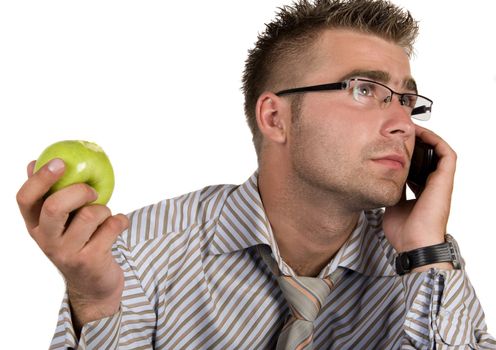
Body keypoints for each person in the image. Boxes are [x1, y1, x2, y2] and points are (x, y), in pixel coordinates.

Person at [16, 0, 496, 349]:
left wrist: (427, 253)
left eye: (407, 99)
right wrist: (95, 304)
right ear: (274, 118)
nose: (402, 124)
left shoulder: (418, 263)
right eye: (365, 89)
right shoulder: (137, 254)